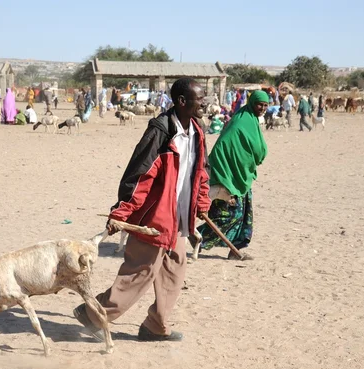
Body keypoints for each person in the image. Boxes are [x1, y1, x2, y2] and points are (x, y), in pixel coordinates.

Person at [73, 77, 211, 342]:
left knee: (175, 268)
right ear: (182, 101)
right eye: (200, 97)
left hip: (179, 218)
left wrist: (201, 202)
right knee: (141, 272)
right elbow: (139, 176)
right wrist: (122, 212)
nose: (205, 102)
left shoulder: (197, 130)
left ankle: (155, 326)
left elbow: (200, 172)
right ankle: (92, 314)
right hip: (155, 217)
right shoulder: (160, 131)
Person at [197, 90, 269, 260]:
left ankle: (235, 250)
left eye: (266, 105)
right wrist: (227, 175)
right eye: (260, 104)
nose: (263, 108)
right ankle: (195, 239)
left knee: (244, 217)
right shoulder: (241, 121)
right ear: (253, 103)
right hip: (227, 178)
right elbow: (224, 148)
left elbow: (255, 149)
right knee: (228, 215)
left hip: (242, 178)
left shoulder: (251, 120)